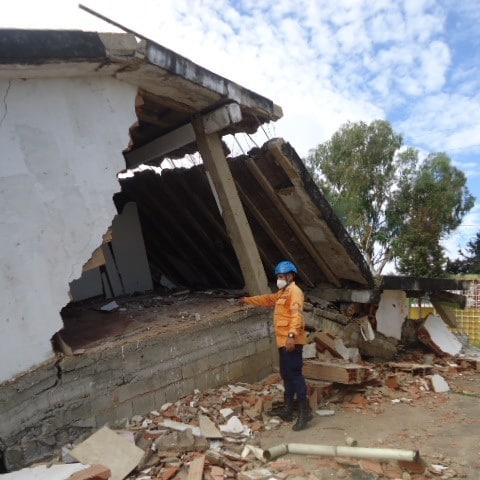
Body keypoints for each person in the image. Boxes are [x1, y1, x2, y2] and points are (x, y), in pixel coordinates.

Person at [238, 260, 312, 431]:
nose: (279, 279)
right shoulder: (283, 293)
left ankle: (305, 411)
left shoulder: (295, 292)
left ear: (290, 276)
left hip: (292, 341)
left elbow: (297, 316)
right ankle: (288, 409)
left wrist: (292, 336)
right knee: (286, 374)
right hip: (283, 342)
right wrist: (247, 300)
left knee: (295, 374)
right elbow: (267, 299)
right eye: (278, 277)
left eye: (281, 276)